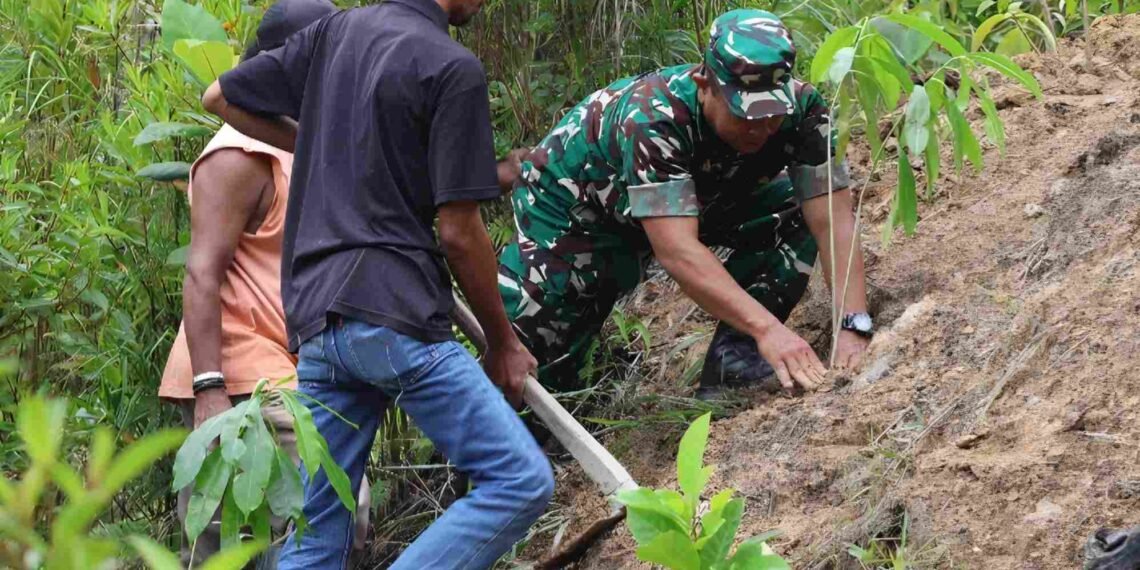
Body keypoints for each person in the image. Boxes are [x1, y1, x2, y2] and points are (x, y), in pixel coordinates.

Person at [200, 0, 554, 568]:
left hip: (316, 328)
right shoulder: (450, 66)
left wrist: (310, 143)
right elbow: (460, 235)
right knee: (518, 479)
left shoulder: (334, 33)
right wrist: (503, 342)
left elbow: (219, 97)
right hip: (391, 317)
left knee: (318, 536)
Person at [498, 9, 874, 398]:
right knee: (535, 347)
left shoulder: (804, 110)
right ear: (704, 84)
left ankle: (736, 361)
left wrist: (853, 324)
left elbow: (833, 220)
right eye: (745, 115)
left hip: (697, 194)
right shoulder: (654, 119)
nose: (761, 129)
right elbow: (678, 250)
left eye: (772, 116)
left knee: (794, 212)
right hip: (574, 209)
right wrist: (770, 331)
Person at [157, 1, 379, 565]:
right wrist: (211, 390)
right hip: (240, 376)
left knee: (320, 527)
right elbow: (202, 270)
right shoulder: (239, 154)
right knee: (278, 531)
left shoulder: (299, 146)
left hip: (291, 367)